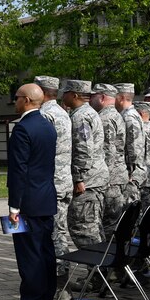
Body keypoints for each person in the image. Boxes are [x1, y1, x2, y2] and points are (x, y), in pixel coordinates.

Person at [4, 83, 57, 300]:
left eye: (15, 97)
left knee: (29, 255)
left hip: (28, 202)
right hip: (46, 198)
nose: (13, 101)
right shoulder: (48, 126)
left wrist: (14, 206)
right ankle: (46, 299)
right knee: (45, 252)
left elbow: (19, 171)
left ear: (25, 100)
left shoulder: (23, 129)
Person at [62, 79, 108, 248]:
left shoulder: (81, 116)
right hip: (94, 179)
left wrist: (79, 178)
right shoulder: (88, 112)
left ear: (74, 95)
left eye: (65, 93)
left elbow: (84, 149)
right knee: (93, 226)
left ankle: (98, 270)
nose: (62, 96)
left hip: (88, 182)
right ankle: (101, 270)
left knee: (83, 228)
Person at [34, 76, 72, 275]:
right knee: (60, 231)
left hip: (51, 185)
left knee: (53, 234)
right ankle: (62, 278)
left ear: (40, 91)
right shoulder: (62, 113)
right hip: (64, 182)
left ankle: (59, 284)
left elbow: (39, 152)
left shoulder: (44, 115)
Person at [90, 84, 127, 239]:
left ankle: (109, 260)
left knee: (109, 225)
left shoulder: (105, 118)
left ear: (103, 97)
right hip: (118, 176)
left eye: (93, 96)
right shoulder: (117, 115)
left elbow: (108, 151)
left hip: (111, 180)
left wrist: (105, 178)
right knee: (114, 223)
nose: (90, 99)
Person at [115, 84, 145, 203]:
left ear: (121, 98)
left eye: (115, 97)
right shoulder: (128, 114)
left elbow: (134, 146)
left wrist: (132, 172)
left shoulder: (129, 117)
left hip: (131, 174)